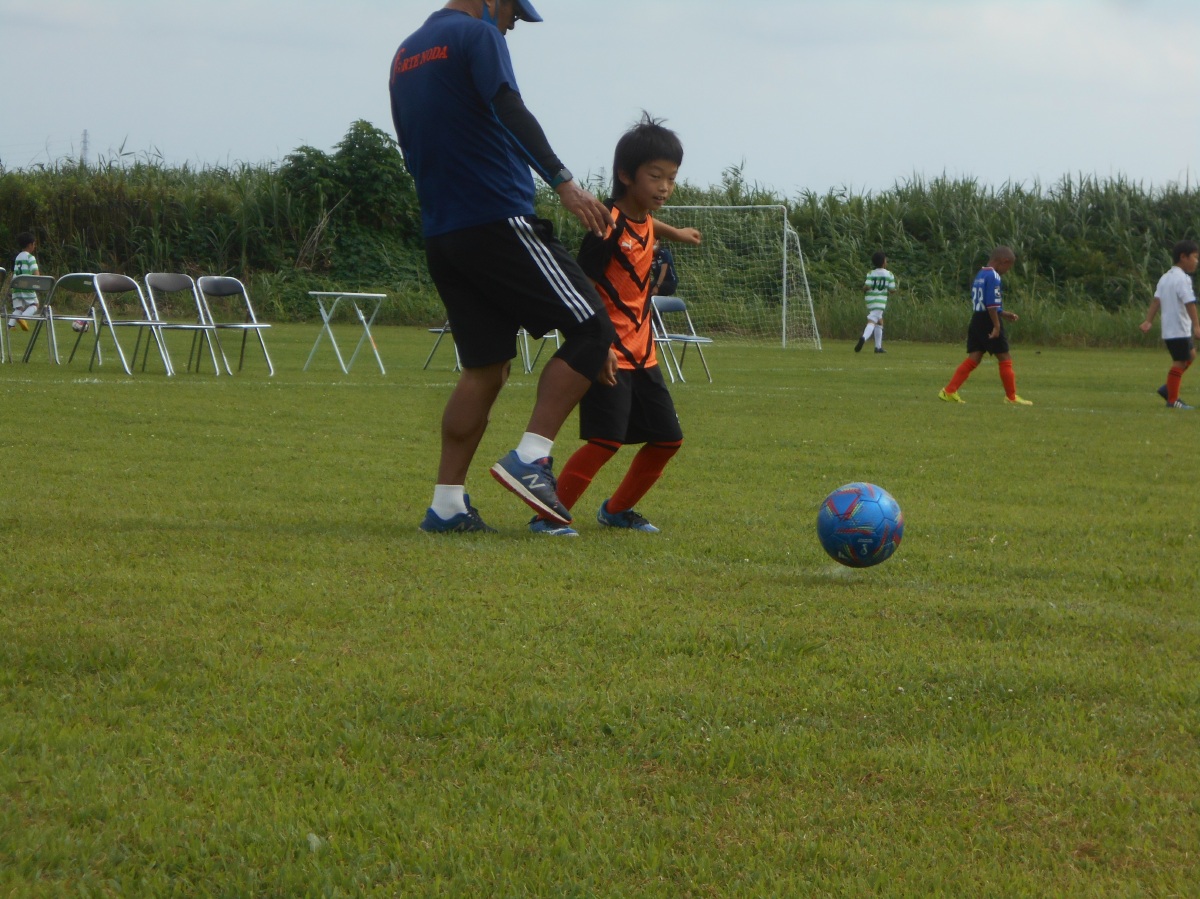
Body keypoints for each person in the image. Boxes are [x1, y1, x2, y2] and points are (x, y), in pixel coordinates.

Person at [390, 0, 618, 533]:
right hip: (497, 217)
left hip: (443, 232)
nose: (514, 22)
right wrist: (564, 183)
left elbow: (412, 145)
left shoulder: (405, 54)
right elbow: (507, 106)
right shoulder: (478, 36)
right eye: (514, 10)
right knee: (592, 327)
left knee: (485, 368)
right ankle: (531, 458)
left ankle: (446, 506)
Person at [530, 114, 701, 536]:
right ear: (626, 175)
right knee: (605, 441)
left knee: (668, 439)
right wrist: (598, 344)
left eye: (672, 178)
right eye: (655, 176)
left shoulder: (643, 218)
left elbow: (648, 225)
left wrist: (677, 234)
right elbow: (582, 290)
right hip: (610, 353)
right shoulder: (605, 225)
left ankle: (617, 510)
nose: (665, 187)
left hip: (644, 354)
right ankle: (547, 516)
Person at [938, 246, 1032, 405]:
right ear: (1004, 261)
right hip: (988, 320)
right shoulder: (994, 276)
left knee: (974, 357)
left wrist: (1003, 313)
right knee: (1005, 357)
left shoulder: (981, 274)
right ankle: (1011, 397)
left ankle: (949, 391)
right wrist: (996, 325)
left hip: (977, 318)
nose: (1007, 271)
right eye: (1009, 267)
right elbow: (991, 304)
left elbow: (985, 302)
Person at [1140, 239, 1200, 410]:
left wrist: (1148, 321)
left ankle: (1168, 387)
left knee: (1191, 355)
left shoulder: (1165, 277)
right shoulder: (1183, 279)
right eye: (1194, 257)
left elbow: (1156, 301)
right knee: (1180, 362)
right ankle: (1173, 400)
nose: (1196, 261)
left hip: (1170, 329)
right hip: (1178, 328)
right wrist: (1197, 326)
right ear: (1183, 257)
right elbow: (1189, 303)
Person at [855, 251, 896, 354]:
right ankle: (864, 338)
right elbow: (892, 289)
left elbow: (867, 286)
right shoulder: (889, 274)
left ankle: (878, 347)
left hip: (870, 301)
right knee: (872, 321)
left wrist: (864, 289)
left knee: (879, 321)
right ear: (883, 262)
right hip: (880, 302)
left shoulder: (870, 273)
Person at [9, 232, 40, 331]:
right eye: (34, 244)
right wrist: (38, 281)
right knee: (35, 304)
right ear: (30, 245)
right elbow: (36, 273)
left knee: (19, 308)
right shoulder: (30, 257)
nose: (34, 246)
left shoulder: (17, 257)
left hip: (16, 286)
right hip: (26, 285)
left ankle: (10, 325)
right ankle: (23, 317)